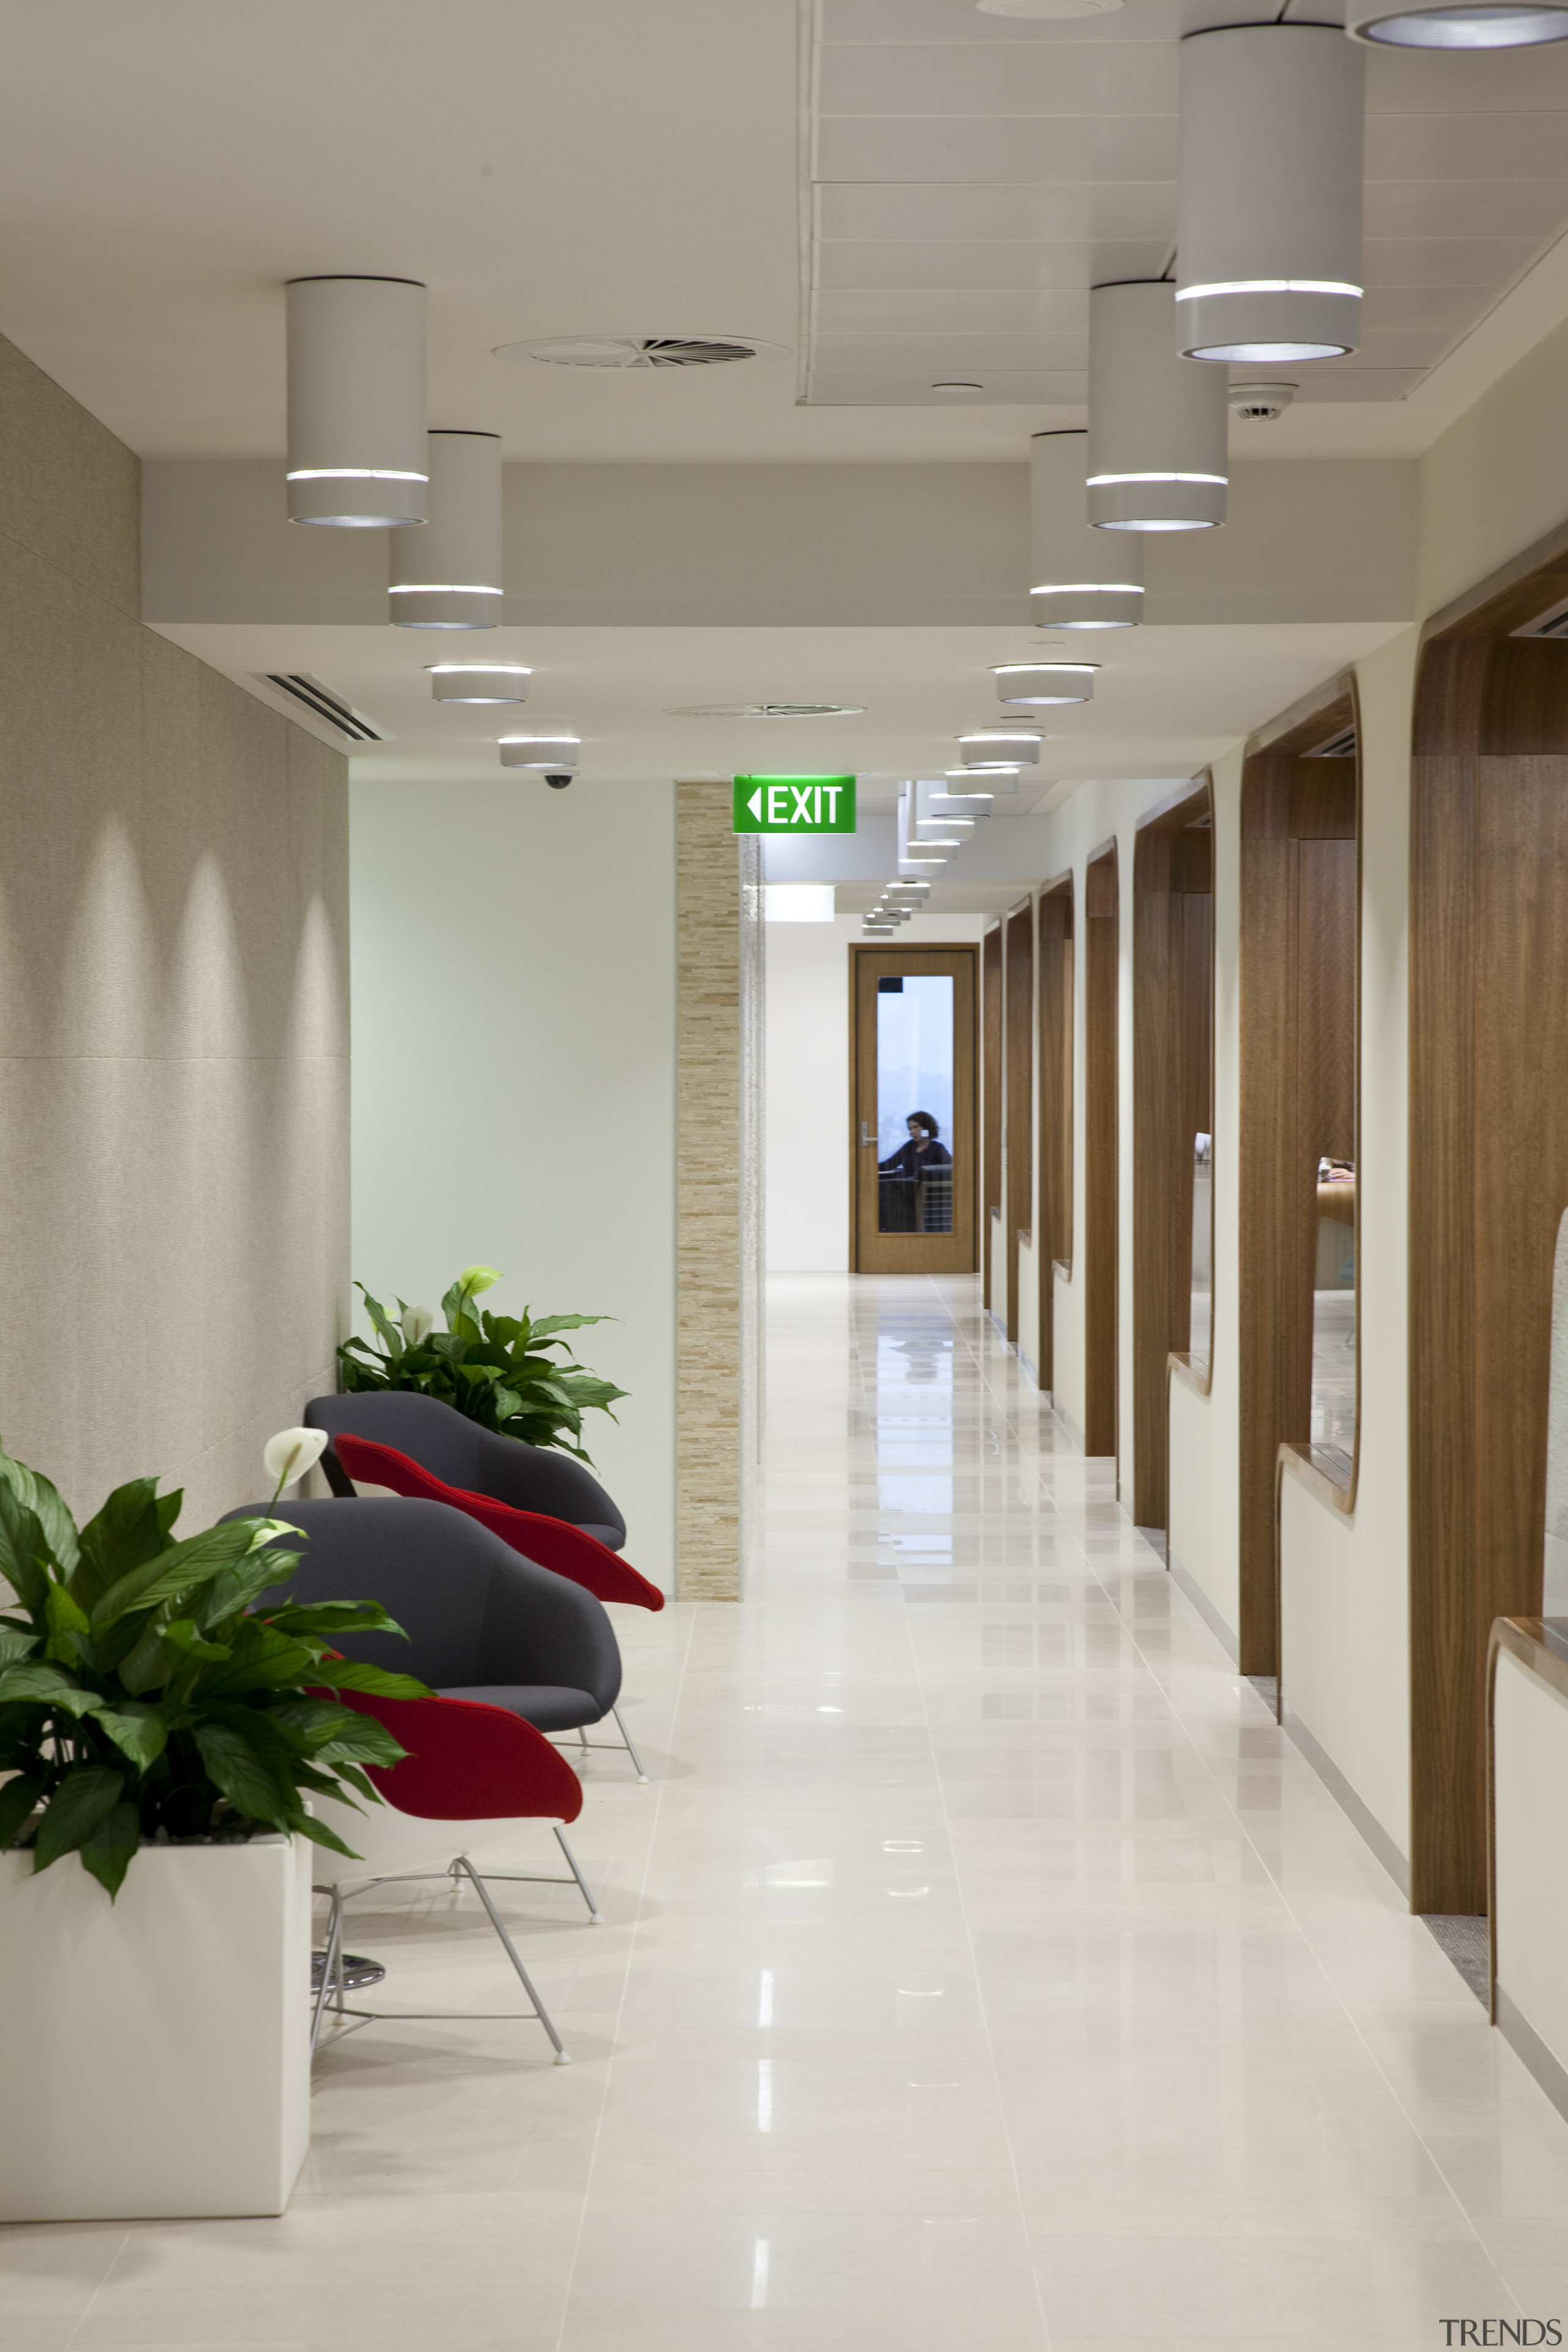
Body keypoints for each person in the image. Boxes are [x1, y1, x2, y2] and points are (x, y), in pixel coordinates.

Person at [878, 1113, 952, 1233]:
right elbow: (888, 1165)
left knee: (883, 1189)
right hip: (901, 1187)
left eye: (916, 1127)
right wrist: (867, 1166)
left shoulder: (937, 1149)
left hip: (921, 1193)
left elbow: (950, 1169)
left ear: (927, 1128)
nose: (912, 1132)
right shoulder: (909, 1147)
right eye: (910, 1129)